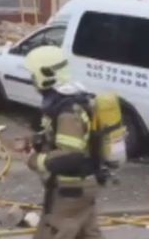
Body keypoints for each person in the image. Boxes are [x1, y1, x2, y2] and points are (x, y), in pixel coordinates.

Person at [23, 45, 102, 239]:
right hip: (83, 187)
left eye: (34, 75)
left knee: (50, 232)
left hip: (71, 190)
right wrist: (37, 140)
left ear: (46, 75)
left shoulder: (67, 111)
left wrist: (36, 160)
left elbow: (71, 156)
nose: (32, 80)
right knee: (87, 234)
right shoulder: (72, 100)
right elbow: (68, 140)